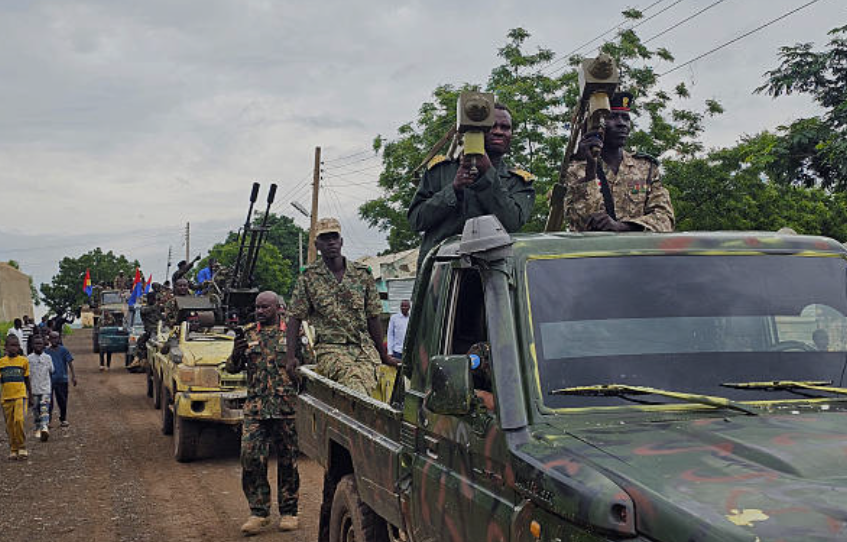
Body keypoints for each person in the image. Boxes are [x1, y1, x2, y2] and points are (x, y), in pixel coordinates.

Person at [408, 103, 536, 267]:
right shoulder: (440, 171)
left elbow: (511, 222)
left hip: (493, 275)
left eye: (505, 128)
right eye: (492, 127)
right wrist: (453, 189)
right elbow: (416, 220)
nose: (499, 132)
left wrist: (487, 174)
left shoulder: (517, 182)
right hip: (442, 275)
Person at [286, 218, 398, 397]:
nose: (331, 242)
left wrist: (383, 354)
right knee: (354, 382)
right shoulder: (309, 277)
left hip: (363, 348)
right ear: (317, 244)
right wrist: (290, 357)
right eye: (325, 238)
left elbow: (373, 317)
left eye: (334, 237)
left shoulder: (362, 274)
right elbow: (294, 317)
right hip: (331, 349)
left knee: (385, 385)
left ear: (341, 241)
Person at [227, 291, 300, 536]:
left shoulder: (293, 333)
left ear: (278, 308)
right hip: (256, 409)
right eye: (257, 307)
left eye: (265, 307)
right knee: (250, 457)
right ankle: (259, 513)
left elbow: (308, 364)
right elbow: (232, 368)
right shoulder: (248, 334)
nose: (259, 311)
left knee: (288, 461)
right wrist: (236, 354)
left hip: (286, 409)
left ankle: (289, 512)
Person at [564, 92, 675, 233]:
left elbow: (665, 219)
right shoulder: (576, 169)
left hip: (635, 253)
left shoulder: (646, 168)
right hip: (593, 253)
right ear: (595, 124)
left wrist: (622, 227)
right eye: (612, 117)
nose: (621, 124)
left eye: (625, 118)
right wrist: (591, 170)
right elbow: (582, 222)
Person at [1, 334, 31, 460]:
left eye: (17, 345)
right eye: (12, 346)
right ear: (6, 347)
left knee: (19, 420)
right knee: (10, 425)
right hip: (6, 398)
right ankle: (13, 449)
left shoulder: (23, 361)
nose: (15, 348)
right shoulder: (2, 363)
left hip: (20, 395)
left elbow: (27, 379)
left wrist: (31, 395)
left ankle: (22, 447)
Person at [46, 331, 76, 427]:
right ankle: (48, 421)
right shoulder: (45, 352)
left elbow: (70, 363)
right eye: (52, 338)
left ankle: (63, 419)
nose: (54, 340)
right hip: (49, 380)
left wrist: (73, 376)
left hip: (62, 379)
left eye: (56, 338)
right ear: (49, 339)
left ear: (59, 339)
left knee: (63, 400)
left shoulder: (64, 350)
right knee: (49, 401)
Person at [27, 335, 53, 442]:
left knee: (44, 409)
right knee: (36, 410)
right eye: (36, 343)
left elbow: (51, 371)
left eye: (40, 343)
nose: (38, 345)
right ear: (32, 345)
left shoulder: (48, 358)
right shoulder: (28, 359)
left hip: (45, 389)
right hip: (34, 389)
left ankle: (44, 428)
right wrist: (28, 393)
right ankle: (38, 427)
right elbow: (27, 376)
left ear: (44, 345)